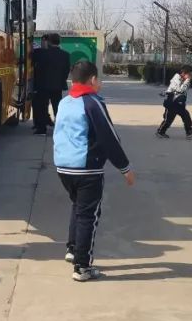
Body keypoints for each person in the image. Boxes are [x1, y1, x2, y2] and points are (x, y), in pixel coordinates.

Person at [53, 60, 135, 282]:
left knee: (78, 207)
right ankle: (82, 267)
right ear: (92, 80)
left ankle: (73, 249)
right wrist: (125, 167)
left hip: (63, 167)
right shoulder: (92, 103)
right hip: (87, 170)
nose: (100, 83)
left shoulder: (65, 102)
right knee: (88, 216)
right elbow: (109, 137)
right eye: (99, 79)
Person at [31, 33, 71, 135]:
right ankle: (61, 129)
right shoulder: (65, 55)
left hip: (43, 85)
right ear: (59, 42)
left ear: (48, 42)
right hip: (58, 85)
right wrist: (61, 80)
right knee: (57, 107)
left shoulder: (41, 53)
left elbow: (34, 61)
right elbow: (66, 71)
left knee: (42, 107)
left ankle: (42, 129)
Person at [156, 66, 192, 139]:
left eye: (191, 75)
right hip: (172, 102)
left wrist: (186, 81)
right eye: (189, 74)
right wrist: (187, 81)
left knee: (186, 116)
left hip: (179, 103)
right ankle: (160, 131)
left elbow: (184, 91)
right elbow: (180, 90)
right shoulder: (176, 78)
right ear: (183, 73)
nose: (190, 76)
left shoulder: (184, 80)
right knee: (168, 119)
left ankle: (189, 132)